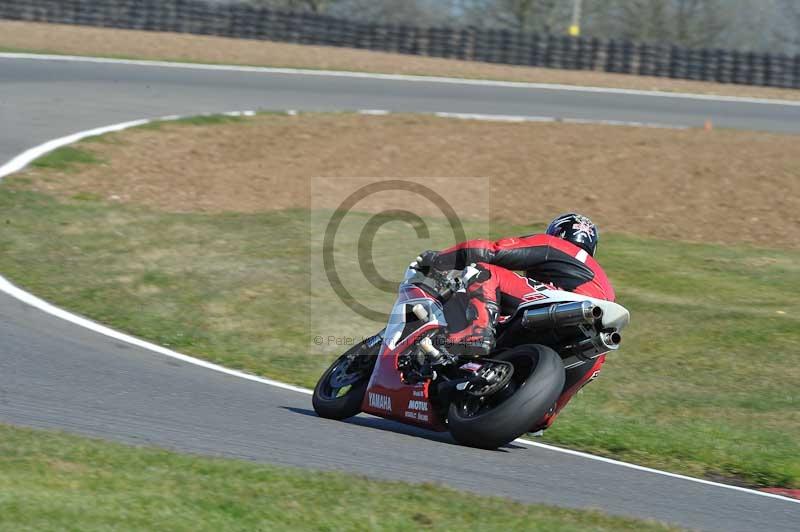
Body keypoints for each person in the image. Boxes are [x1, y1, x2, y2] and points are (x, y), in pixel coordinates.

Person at [418, 213, 615, 433]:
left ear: (558, 233)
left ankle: (477, 331)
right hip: (590, 334)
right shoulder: (603, 281)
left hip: (564, 304)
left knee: (482, 270)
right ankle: (546, 412)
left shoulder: (555, 245)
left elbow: (493, 250)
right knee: (596, 355)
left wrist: (438, 259)